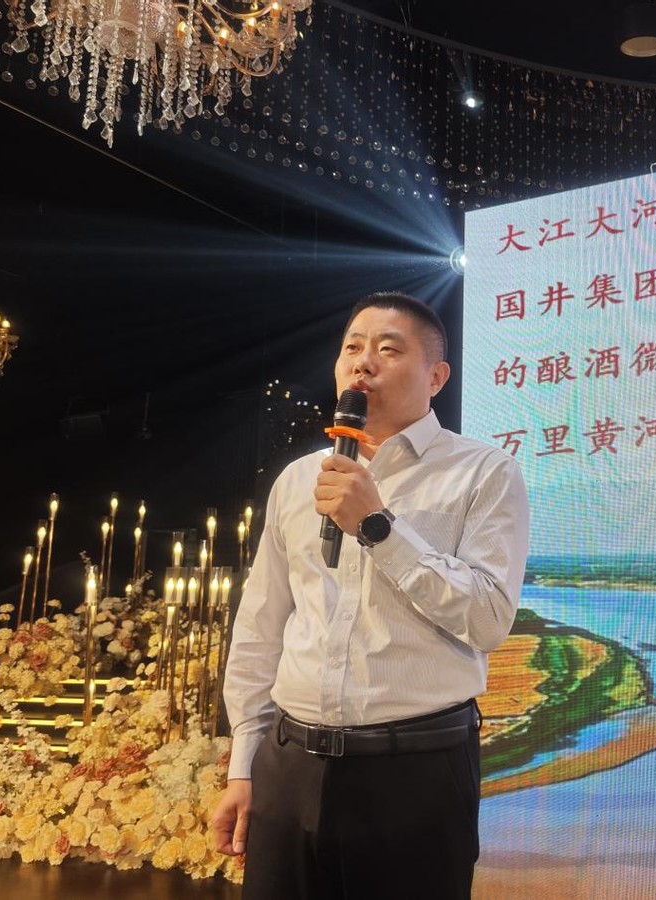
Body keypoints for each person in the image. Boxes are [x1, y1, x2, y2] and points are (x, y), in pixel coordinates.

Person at [209, 292, 530, 898]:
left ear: (436, 377)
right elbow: (260, 626)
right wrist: (243, 765)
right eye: (352, 347)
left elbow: (489, 619)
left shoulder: (485, 472)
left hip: (415, 774)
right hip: (289, 764)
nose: (363, 362)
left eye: (388, 349)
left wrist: (378, 527)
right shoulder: (298, 479)